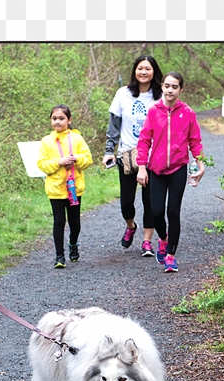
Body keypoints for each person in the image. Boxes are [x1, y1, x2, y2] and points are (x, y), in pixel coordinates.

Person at [136, 71, 206, 273]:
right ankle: (163, 240)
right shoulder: (153, 111)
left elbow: (195, 141)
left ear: (181, 89)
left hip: (177, 169)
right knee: (156, 211)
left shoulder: (188, 113)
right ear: (162, 87)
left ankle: (171, 256)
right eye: (167, 86)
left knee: (173, 212)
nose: (170, 90)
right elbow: (144, 141)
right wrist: (142, 167)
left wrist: (200, 164)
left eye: (175, 87)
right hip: (155, 170)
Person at [102, 55, 163, 256]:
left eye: (147, 68)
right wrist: (109, 151)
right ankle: (130, 226)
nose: (143, 72)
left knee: (150, 201)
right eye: (140, 68)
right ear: (134, 71)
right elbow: (114, 125)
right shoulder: (123, 94)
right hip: (127, 154)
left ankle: (147, 242)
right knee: (126, 202)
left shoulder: (161, 95)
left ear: (154, 71)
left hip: (154, 156)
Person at [36, 105, 93, 268]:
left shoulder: (77, 139)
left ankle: (73, 244)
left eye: (61, 119)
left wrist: (76, 159)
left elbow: (88, 159)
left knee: (75, 223)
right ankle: (59, 256)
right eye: (54, 119)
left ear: (69, 120)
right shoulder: (46, 141)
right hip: (55, 188)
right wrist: (58, 162)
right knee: (59, 221)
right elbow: (41, 163)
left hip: (74, 187)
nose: (57, 122)